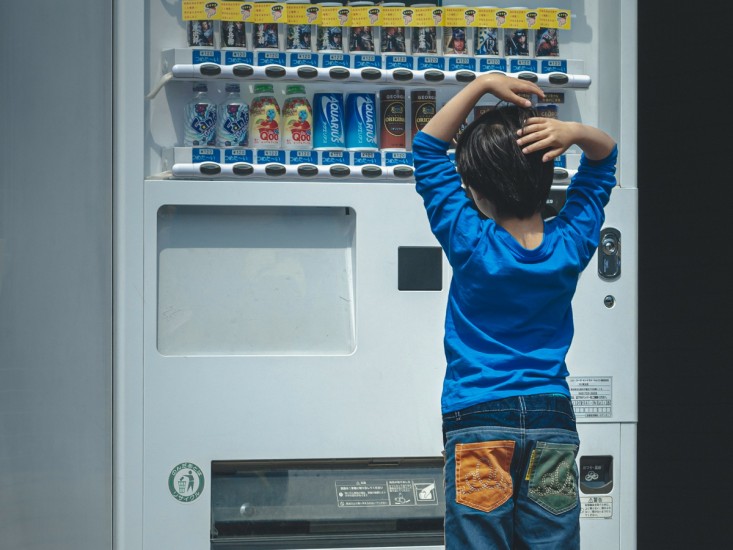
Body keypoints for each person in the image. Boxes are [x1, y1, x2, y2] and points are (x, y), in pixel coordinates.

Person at [412, 73, 617, 549]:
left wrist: (480, 86)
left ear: (478, 194)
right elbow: (604, 161)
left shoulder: (471, 242)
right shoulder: (571, 244)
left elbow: (426, 150)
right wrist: (573, 133)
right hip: (552, 421)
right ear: (548, 177)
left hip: (478, 417)